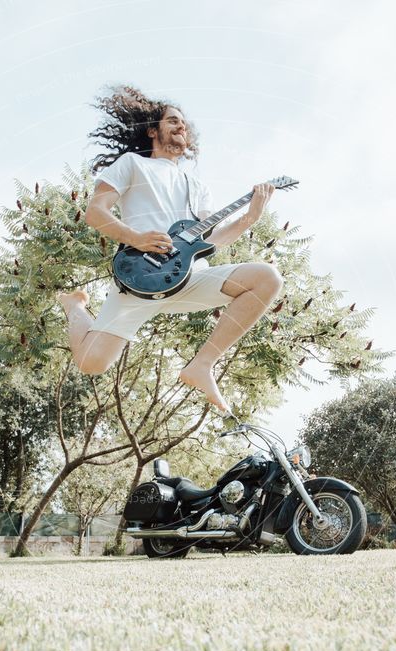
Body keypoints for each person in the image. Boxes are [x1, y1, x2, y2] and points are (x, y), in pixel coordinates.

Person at [59, 85, 282, 413]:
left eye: (185, 125)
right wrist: (134, 238)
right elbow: (95, 212)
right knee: (91, 363)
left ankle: (202, 365)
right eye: (173, 121)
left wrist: (248, 219)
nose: (182, 127)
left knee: (268, 279)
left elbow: (212, 240)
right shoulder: (132, 164)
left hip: (188, 278)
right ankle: (74, 306)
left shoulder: (197, 187)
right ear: (153, 130)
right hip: (140, 278)